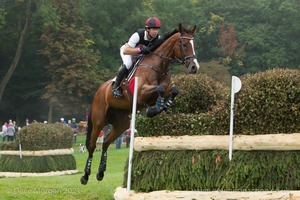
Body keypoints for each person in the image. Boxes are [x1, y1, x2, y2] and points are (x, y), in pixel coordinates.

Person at [111, 17, 162, 98]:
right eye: (154, 29)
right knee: (128, 63)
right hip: (128, 52)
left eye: (157, 29)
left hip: (141, 55)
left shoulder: (158, 39)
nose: (156, 32)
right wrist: (140, 50)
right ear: (147, 29)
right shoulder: (138, 35)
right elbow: (126, 51)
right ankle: (115, 88)